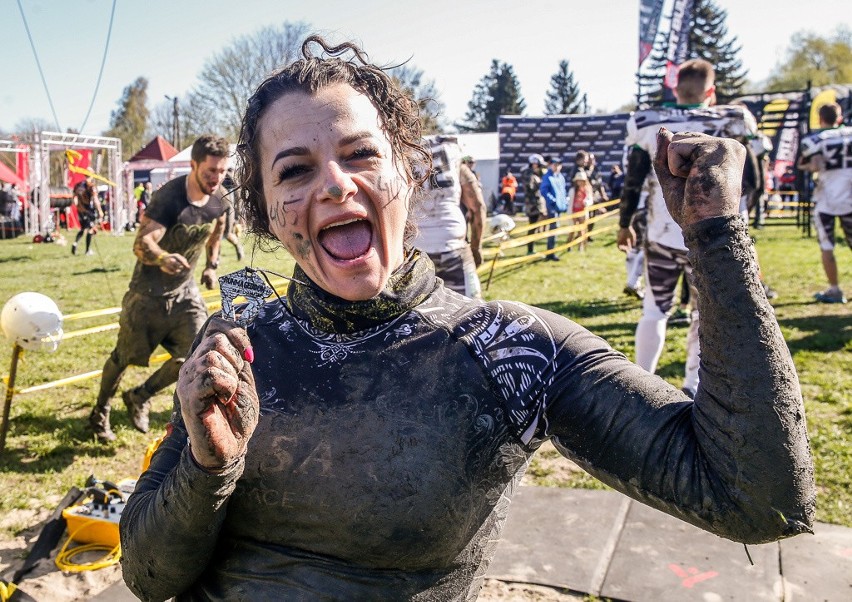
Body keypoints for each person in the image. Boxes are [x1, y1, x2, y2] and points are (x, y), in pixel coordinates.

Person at [120, 36, 814, 602]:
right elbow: (149, 576)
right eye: (295, 170)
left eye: (361, 154)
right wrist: (210, 464)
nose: (334, 183)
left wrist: (716, 237)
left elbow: (757, 501)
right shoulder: (239, 347)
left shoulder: (511, 352)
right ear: (268, 210)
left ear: (410, 173)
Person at [618, 58, 759, 398]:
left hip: (663, 230)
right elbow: (753, 178)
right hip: (710, 234)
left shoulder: (648, 121)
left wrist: (624, 223)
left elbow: (633, 178)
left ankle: (642, 386)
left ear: (675, 88)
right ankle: (692, 386)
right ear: (711, 91)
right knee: (703, 314)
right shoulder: (731, 119)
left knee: (654, 308)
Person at [88, 135, 230, 443]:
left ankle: (140, 395)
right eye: (210, 171)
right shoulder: (170, 198)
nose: (216, 179)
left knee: (196, 354)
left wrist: (211, 265)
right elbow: (142, 243)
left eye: (221, 171)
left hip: (185, 294)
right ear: (193, 165)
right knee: (123, 357)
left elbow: (217, 230)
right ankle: (99, 412)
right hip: (147, 296)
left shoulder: (220, 199)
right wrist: (163, 257)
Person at [411, 135, 486, 298]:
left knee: (417, 315)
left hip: (414, 250)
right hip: (453, 245)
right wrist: (476, 247)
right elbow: (478, 206)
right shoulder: (455, 161)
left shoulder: (402, 161)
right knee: (470, 311)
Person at [798, 102, 852, 304]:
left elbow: (804, 164)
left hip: (826, 198)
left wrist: (812, 166)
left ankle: (835, 289)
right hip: (850, 196)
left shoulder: (815, 139)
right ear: (839, 117)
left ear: (820, 119)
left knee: (827, 246)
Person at [540, 155, 567, 261]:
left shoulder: (560, 177)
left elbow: (563, 191)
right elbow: (544, 191)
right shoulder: (547, 177)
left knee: (556, 229)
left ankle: (552, 250)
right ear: (551, 165)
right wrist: (552, 200)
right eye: (555, 165)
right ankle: (550, 252)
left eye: (559, 165)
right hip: (552, 207)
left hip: (559, 207)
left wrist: (564, 202)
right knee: (553, 229)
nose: (557, 167)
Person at [521, 153, 547, 254]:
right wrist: (541, 184)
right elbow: (531, 189)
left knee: (535, 226)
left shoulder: (535, 174)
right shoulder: (529, 174)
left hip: (536, 203)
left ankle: (531, 248)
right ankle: (530, 249)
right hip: (532, 204)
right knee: (532, 226)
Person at [71, 178, 103, 256]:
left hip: (80, 210)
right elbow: (95, 199)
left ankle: (75, 243)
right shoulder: (91, 186)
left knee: (83, 228)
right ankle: (87, 250)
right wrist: (100, 211)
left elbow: (74, 198)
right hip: (89, 210)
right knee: (91, 229)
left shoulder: (78, 185)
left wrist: (78, 207)